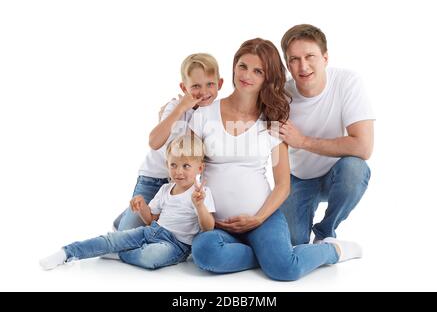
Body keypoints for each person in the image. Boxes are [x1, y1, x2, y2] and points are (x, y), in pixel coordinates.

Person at [189, 38, 362, 281]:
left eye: (257, 71)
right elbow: (184, 167)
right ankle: (265, 255)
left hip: (263, 219)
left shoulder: (271, 121)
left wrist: (257, 218)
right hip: (217, 224)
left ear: (267, 78)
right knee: (205, 254)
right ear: (234, 66)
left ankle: (333, 250)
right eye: (243, 66)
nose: (247, 75)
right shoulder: (203, 115)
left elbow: (283, 184)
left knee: (285, 270)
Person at [39, 134, 215, 270]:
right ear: (167, 165)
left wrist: (199, 206)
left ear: (199, 168)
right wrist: (142, 207)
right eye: (174, 165)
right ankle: (67, 252)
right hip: (152, 231)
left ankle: (119, 254)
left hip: (176, 245)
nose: (178, 171)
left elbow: (208, 228)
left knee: (151, 257)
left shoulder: (202, 193)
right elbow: (151, 219)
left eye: (186, 166)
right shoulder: (165, 190)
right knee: (112, 239)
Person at [278, 24, 375, 245]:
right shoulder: (282, 95)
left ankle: (325, 231)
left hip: (336, 175)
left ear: (325, 58)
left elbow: (363, 147)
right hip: (298, 178)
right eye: (294, 59)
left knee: (356, 169)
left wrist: (302, 141)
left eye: (309, 56)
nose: (303, 66)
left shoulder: (347, 82)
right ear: (288, 65)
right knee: (294, 242)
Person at [113, 53, 223, 231]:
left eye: (209, 84)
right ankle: (128, 218)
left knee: (164, 230)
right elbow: (154, 142)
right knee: (128, 234)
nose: (203, 92)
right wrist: (180, 108)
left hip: (181, 184)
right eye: (195, 86)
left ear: (219, 84)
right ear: (184, 87)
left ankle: (129, 216)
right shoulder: (175, 107)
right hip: (154, 179)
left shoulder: (214, 114)